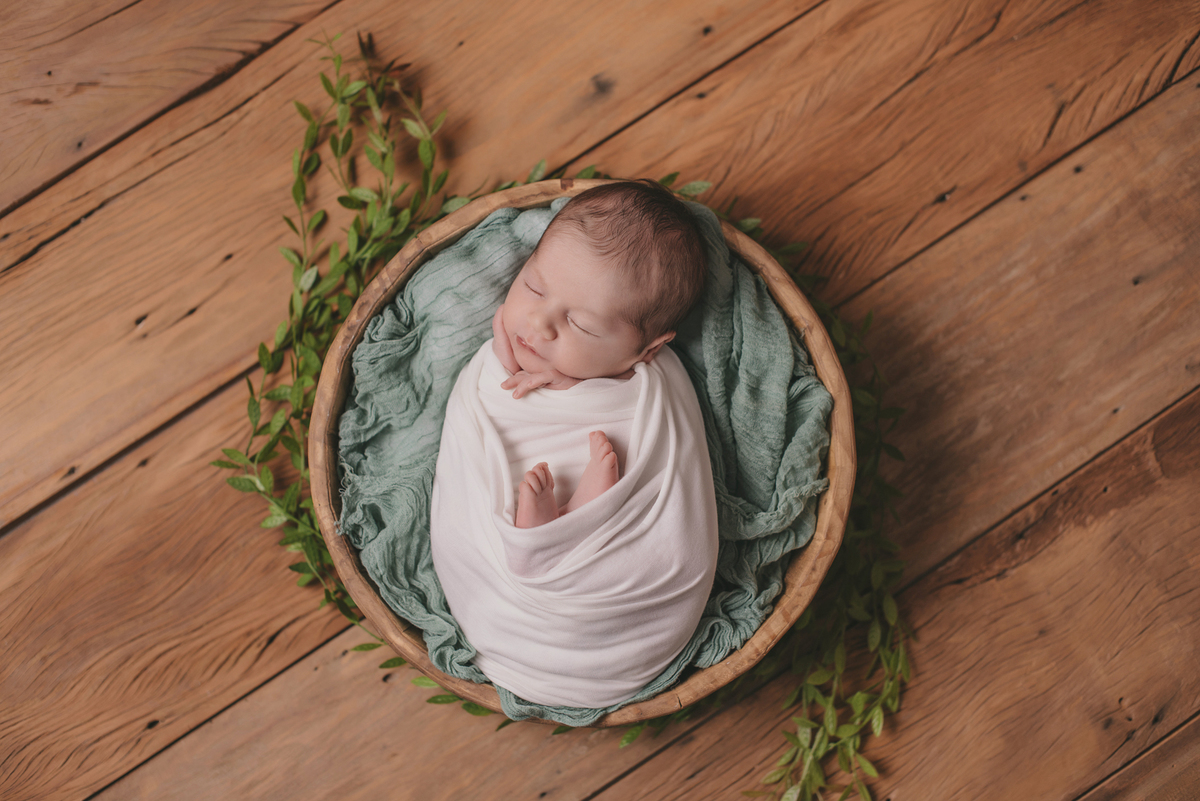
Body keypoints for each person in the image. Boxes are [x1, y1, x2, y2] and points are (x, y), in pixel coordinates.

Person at [429, 180, 720, 709]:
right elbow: (487, 405)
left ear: (647, 349)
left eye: (581, 325)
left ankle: (558, 532)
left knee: (622, 477)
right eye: (535, 289)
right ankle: (544, 540)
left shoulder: (656, 383)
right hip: (515, 605)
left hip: (616, 607)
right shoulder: (511, 342)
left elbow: (668, 456)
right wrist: (533, 376)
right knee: (518, 495)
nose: (537, 324)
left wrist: (573, 386)